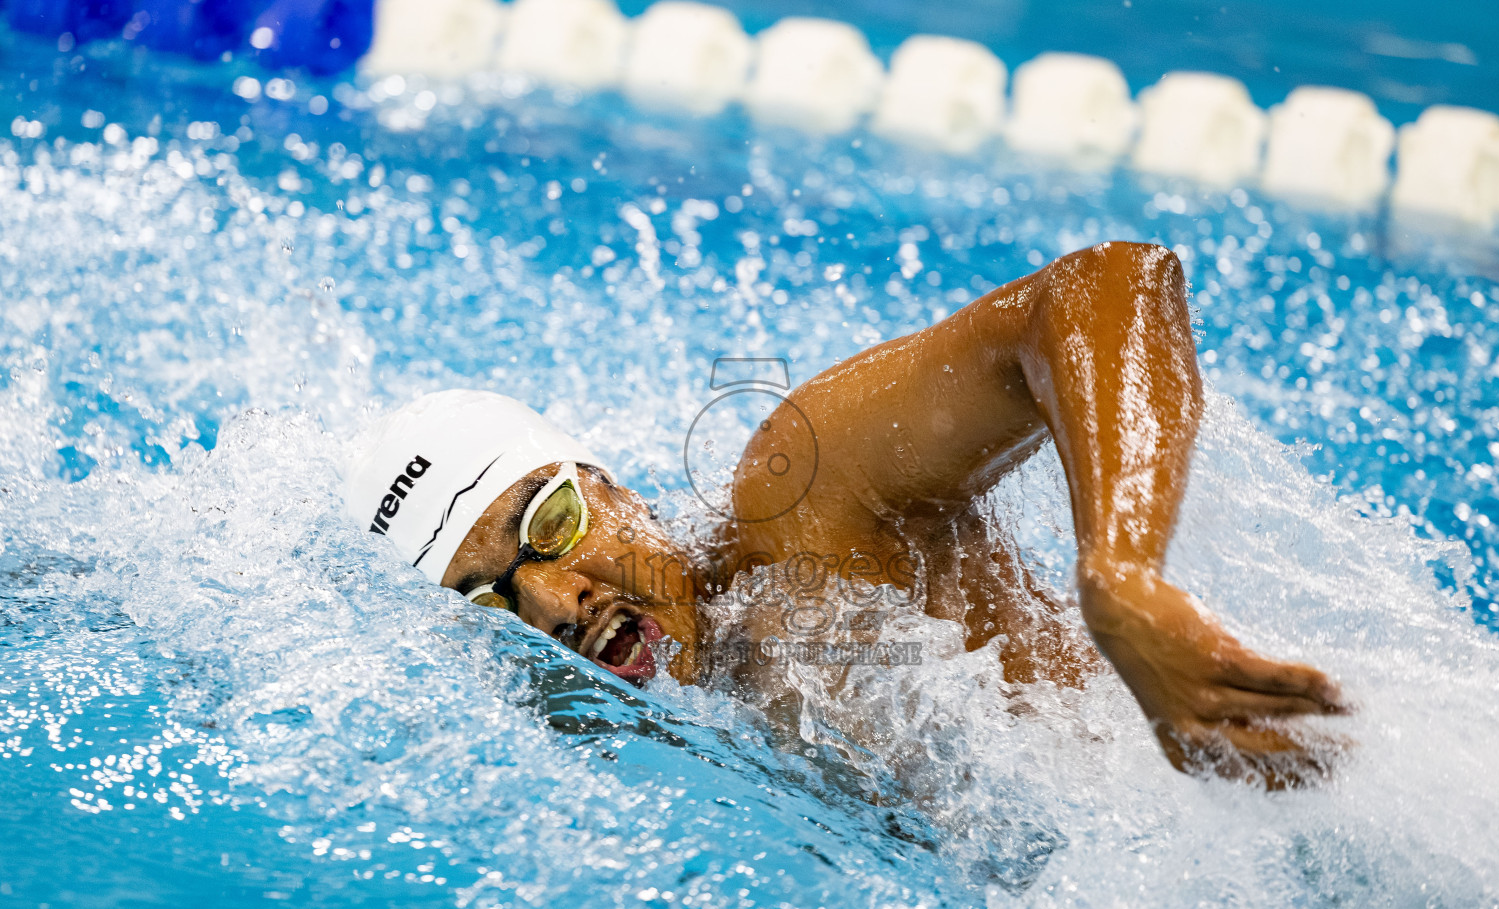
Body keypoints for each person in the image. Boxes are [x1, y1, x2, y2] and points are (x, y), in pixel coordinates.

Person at [345, 241, 1347, 787]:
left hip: (1276, 757)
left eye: (551, 523)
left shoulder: (798, 506)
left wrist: (1122, 572)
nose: (556, 602)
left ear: (612, 484)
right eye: (488, 598)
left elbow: (1104, 289)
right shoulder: (620, 725)